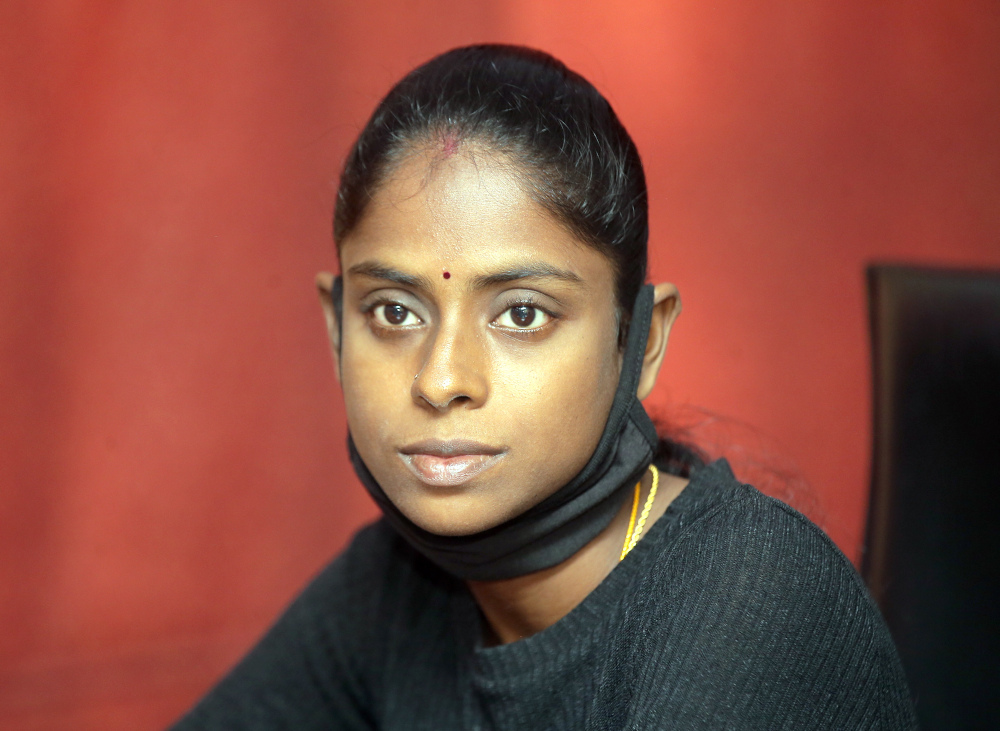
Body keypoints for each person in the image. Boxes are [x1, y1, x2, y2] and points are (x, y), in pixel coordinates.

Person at [171, 44, 916, 729]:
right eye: (394, 312)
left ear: (642, 338)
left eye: (522, 313)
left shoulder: (753, 609)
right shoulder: (397, 583)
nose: (441, 379)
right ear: (338, 330)